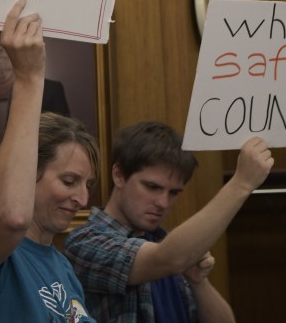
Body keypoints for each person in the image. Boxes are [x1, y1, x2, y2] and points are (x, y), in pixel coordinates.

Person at [0, 0, 98, 322]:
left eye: (88, 185)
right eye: (69, 181)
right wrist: (29, 77)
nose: (83, 199)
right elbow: (11, 218)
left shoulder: (62, 267)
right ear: (29, 173)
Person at [63, 121, 274, 322]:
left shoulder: (168, 245)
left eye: (173, 192)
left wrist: (198, 281)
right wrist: (242, 183)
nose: (163, 202)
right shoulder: (84, 242)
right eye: (152, 187)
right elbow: (166, 259)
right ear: (119, 175)